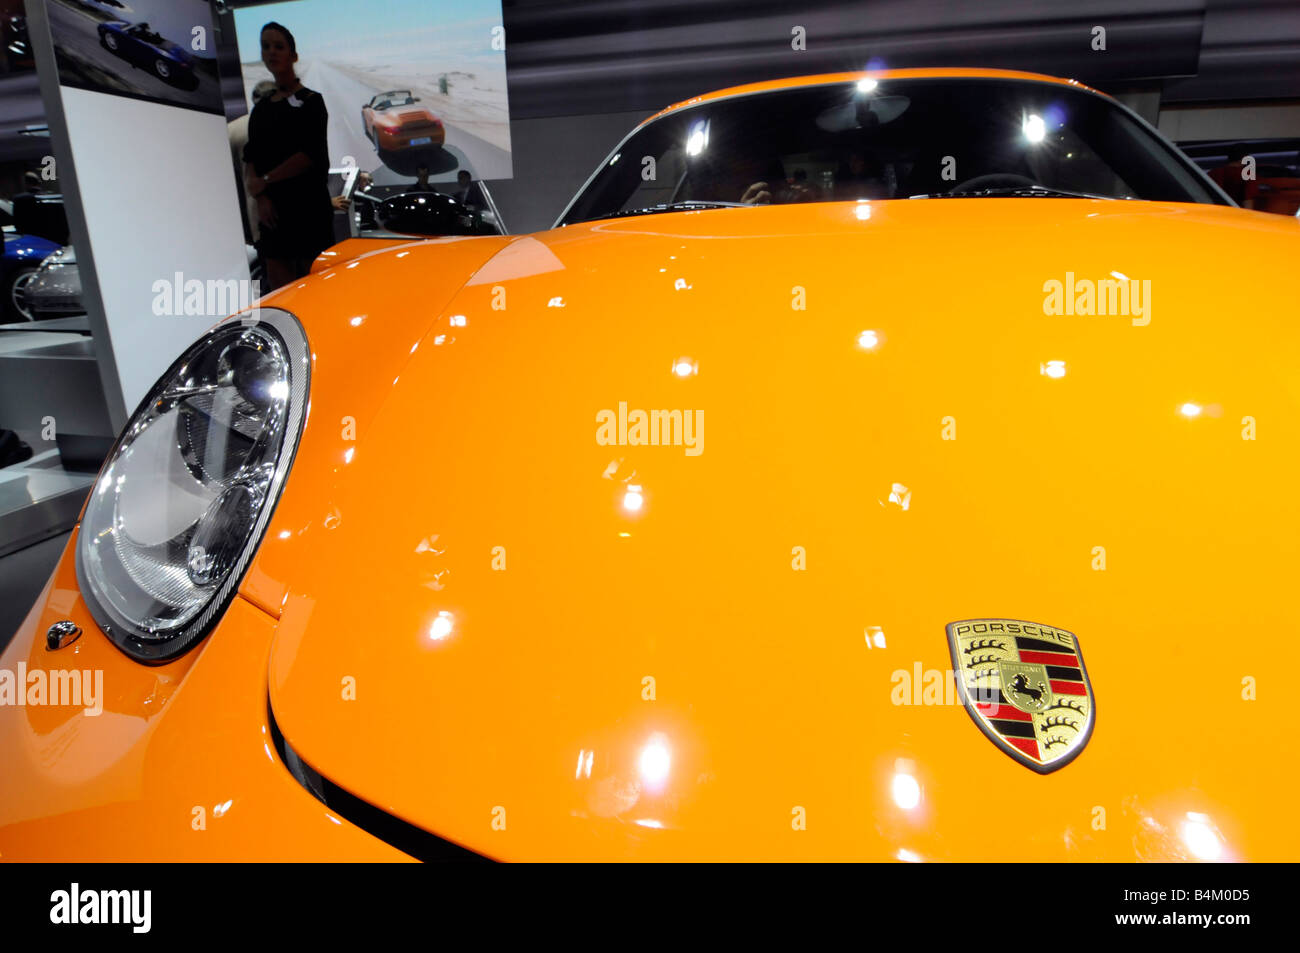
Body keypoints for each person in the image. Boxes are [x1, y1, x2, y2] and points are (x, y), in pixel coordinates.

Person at [242, 22, 334, 290]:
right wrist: (259, 196)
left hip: (308, 210)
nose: (272, 52)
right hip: (273, 214)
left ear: (293, 55)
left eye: (279, 46)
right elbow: (251, 157)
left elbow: (309, 155)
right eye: (266, 46)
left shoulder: (311, 102)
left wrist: (265, 181)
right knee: (281, 292)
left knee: (317, 289)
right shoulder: (261, 110)